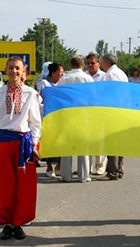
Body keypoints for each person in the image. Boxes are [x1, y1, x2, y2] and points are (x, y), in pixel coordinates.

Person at [0, 56, 42, 240]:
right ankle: (7, 223)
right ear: (6, 70)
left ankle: (19, 223)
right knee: (5, 186)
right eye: (11, 68)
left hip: (23, 146)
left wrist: (34, 146)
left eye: (18, 68)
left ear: (23, 71)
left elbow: (35, 123)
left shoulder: (30, 94)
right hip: (3, 144)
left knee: (24, 187)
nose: (14, 71)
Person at [58, 55, 94, 183]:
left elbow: (59, 96)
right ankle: (83, 175)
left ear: (71, 65)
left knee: (66, 145)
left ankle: (66, 175)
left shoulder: (64, 79)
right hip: (83, 114)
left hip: (68, 113)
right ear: (83, 65)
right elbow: (92, 98)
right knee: (83, 146)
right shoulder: (88, 79)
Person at [101, 53, 128, 180]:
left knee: (112, 141)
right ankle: (119, 168)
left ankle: (113, 170)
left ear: (106, 63)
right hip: (122, 109)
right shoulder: (122, 73)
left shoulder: (110, 74)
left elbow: (109, 93)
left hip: (113, 110)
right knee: (120, 141)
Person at [39, 62, 65, 178]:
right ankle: (49, 166)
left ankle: (59, 165)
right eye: (60, 71)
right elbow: (44, 97)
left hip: (60, 115)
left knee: (60, 139)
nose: (62, 74)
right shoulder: (44, 83)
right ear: (53, 72)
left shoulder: (62, 82)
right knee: (49, 140)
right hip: (48, 115)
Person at [85, 52, 107, 176]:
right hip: (87, 111)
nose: (90, 65)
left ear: (98, 63)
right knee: (88, 138)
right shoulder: (84, 76)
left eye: (93, 63)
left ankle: (100, 165)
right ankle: (88, 166)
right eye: (88, 63)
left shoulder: (104, 77)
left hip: (100, 110)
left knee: (100, 138)